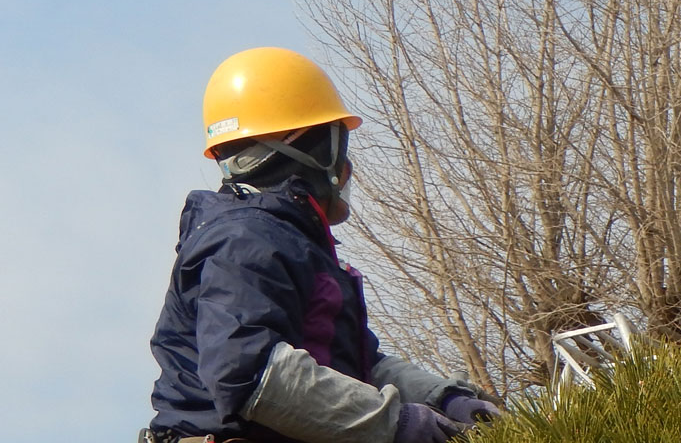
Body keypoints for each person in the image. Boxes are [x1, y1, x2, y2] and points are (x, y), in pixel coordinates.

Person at [144, 47, 502, 443]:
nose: (346, 172)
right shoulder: (247, 239)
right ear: (315, 151)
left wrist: (444, 397)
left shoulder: (285, 242)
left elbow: (358, 368)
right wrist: (398, 424)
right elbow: (250, 372)